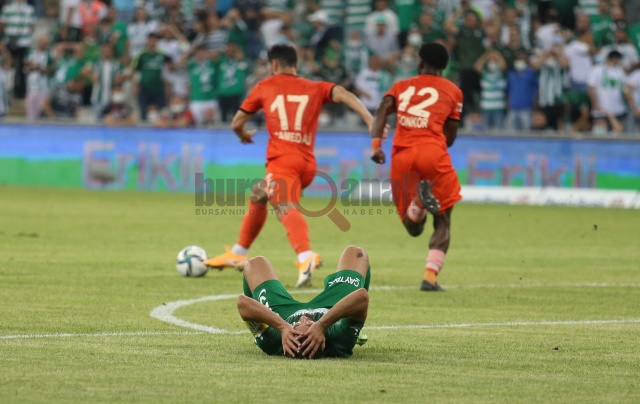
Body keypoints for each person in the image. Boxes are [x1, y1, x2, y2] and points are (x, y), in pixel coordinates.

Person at [205, 44, 377, 288]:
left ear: (274, 64)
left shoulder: (265, 86)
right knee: (259, 194)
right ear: (296, 64)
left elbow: (236, 122)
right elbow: (343, 94)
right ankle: (238, 252)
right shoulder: (315, 87)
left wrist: (243, 134)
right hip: (306, 163)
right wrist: (369, 119)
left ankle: (305, 256)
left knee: (283, 206)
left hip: (283, 160)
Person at [370, 42, 463, 291]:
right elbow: (451, 136)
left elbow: (382, 108)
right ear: (443, 67)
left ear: (420, 63)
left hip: (403, 156)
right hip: (432, 152)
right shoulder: (454, 91)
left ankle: (418, 206)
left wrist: (376, 145)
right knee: (443, 218)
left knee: (412, 228)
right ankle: (429, 278)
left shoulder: (401, 86)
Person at [237, 245, 370, 359]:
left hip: (283, 315)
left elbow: (242, 303)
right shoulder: (339, 337)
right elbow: (362, 297)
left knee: (254, 264)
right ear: (322, 339)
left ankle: (260, 332)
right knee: (356, 253)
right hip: (333, 309)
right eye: (309, 325)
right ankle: (354, 327)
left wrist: (283, 327)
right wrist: (321, 325)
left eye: (296, 325)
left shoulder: (273, 341)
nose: (303, 318)